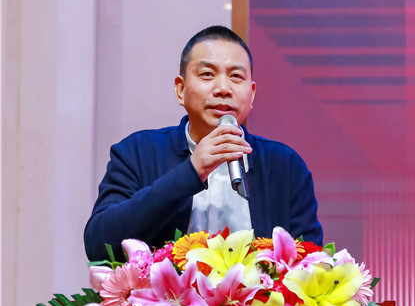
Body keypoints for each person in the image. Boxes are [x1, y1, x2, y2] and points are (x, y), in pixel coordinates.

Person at [84, 26, 322, 261]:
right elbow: (99, 246)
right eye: (207, 74)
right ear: (181, 90)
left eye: (236, 76)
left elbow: (311, 263)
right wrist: (191, 171)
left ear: (251, 94)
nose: (223, 89)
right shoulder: (138, 152)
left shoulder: (285, 166)